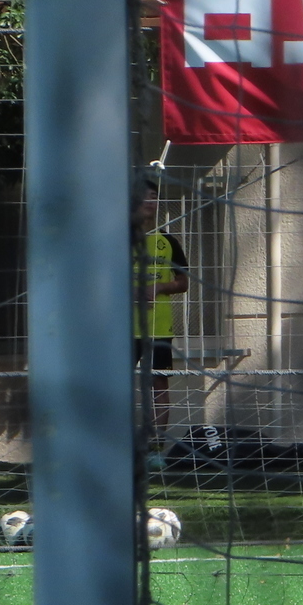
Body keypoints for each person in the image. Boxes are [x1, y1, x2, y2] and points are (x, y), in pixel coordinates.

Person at [134, 175, 190, 443]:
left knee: (158, 383)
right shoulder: (115, 240)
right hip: (123, 327)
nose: (150, 201)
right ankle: (120, 442)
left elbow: (183, 282)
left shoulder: (167, 241)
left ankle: (156, 444)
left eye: (155, 197)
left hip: (159, 326)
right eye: (145, 196)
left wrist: (158, 288)